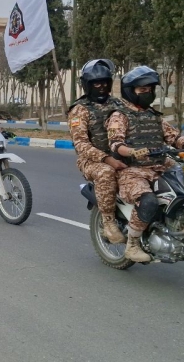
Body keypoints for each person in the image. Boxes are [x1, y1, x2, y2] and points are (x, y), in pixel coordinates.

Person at [106, 66, 184, 262]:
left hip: (161, 166)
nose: (148, 93)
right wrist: (132, 151)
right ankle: (132, 245)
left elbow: (176, 138)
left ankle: (183, 237)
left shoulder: (154, 116)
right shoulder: (120, 116)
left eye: (150, 89)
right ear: (130, 91)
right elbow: (115, 144)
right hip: (133, 170)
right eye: (142, 89)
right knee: (148, 201)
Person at [67, 59, 127, 244]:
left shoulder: (119, 104)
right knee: (106, 173)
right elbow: (81, 144)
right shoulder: (80, 110)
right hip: (92, 161)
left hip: (122, 154)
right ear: (87, 85)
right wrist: (106, 159)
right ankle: (108, 223)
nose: (101, 87)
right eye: (96, 84)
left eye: (104, 83)